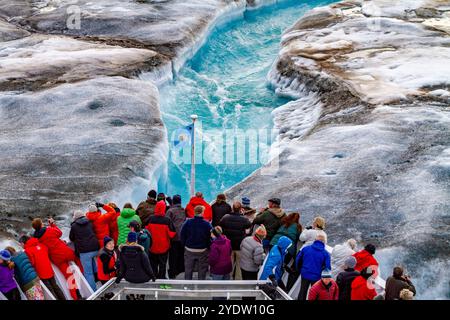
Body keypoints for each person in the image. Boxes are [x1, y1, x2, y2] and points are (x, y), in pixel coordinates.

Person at [32, 218, 82, 300]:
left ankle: (76, 297)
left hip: (57, 259)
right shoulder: (49, 230)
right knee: (78, 258)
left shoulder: (37, 239)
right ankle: (82, 273)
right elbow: (59, 233)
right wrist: (52, 224)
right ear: (41, 224)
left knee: (69, 277)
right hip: (66, 252)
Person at [20, 235, 66, 300]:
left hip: (41, 272)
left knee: (50, 289)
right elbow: (46, 251)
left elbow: (32, 262)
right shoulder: (41, 244)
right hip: (49, 269)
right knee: (55, 286)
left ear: (22, 243)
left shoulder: (27, 250)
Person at [219, 201, 252, 280]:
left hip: (228, 245)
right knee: (239, 264)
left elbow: (220, 224)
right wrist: (242, 215)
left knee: (229, 263)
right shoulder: (244, 219)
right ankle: (238, 280)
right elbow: (249, 225)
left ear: (232, 208)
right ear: (240, 209)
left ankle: (228, 278)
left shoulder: (226, 217)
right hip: (239, 245)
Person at [69, 210, 100, 291]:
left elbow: (71, 238)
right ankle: (99, 281)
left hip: (85, 251)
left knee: (88, 273)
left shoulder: (74, 226)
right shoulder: (89, 222)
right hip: (95, 248)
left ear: (75, 218)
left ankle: (93, 291)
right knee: (94, 264)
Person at [180, 205, 212, 280]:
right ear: (202, 212)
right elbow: (211, 237)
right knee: (202, 270)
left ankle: (187, 286)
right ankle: (201, 286)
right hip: (202, 250)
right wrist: (208, 246)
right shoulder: (207, 224)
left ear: (194, 212)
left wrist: (184, 245)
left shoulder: (187, 222)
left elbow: (182, 234)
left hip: (189, 249)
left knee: (188, 269)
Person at [295, 232, 331, 300]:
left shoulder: (306, 248)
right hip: (316, 276)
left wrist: (299, 269)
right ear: (324, 242)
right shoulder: (325, 254)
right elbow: (327, 267)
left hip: (305, 273)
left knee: (303, 291)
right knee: (314, 294)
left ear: (315, 240)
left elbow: (298, 259)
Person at [146, 200, 176, 279]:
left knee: (153, 266)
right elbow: (172, 234)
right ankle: (162, 281)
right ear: (164, 208)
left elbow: (146, 230)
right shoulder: (167, 220)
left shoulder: (150, 219)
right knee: (163, 266)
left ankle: (154, 280)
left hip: (152, 247)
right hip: (164, 247)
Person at [166, 194, 186, 279]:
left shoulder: (170, 211)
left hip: (173, 236)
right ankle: (180, 271)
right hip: (182, 236)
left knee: (173, 255)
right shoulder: (183, 210)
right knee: (181, 254)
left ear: (173, 201)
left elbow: (166, 222)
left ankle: (172, 273)